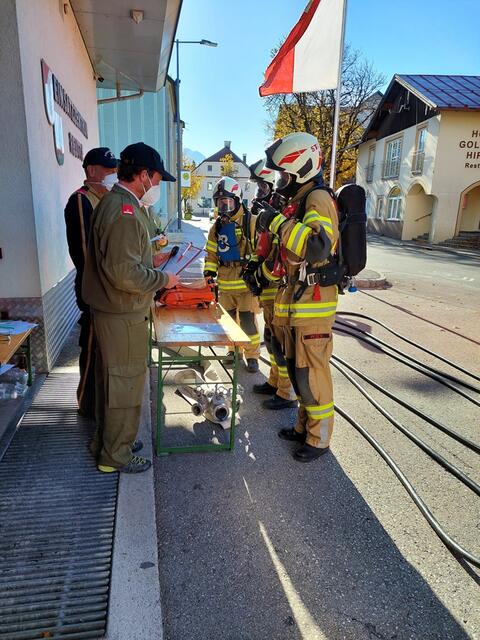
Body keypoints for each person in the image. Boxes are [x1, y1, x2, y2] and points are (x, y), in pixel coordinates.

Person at [82, 142, 179, 473]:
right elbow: (124, 273)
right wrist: (162, 278)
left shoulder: (118, 204)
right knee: (123, 384)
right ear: (144, 175)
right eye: (157, 178)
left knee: (112, 382)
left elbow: (123, 260)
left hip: (114, 312)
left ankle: (110, 441)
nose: (158, 186)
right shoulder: (124, 211)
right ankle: (115, 456)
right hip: (122, 314)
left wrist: (151, 262)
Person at [257, 132, 339, 462]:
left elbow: (318, 248)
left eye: (284, 174)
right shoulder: (302, 199)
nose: (280, 181)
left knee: (311, 373)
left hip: (314, 304)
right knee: (298, 371)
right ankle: (304, 426)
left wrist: (277, 222)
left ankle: (319, 439)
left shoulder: (317, 198)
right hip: (298, 302)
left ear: (301, 168)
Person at [64, 147, 118, 419]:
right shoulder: (81, 200)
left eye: (114, 170)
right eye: (108, 170)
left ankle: (102, 407)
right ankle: (86, 404)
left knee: (105, 355)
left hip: (111, 291)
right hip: (94, 292)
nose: (113, 174)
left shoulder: (107, 201)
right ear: (92, 171)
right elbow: (86, 255)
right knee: (92, 348)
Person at [246, 159, 297, 409]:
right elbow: (264, 245)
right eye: (258, 188)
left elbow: (281, 253)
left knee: (280, 339)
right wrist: (253, 268)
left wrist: (263, 274)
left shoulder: (283, 211)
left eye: (262, 187)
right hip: (269, 286)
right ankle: (275, 382)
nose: (259, 193)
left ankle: (286, 392)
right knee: (271, 336)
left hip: (278, 287)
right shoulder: (269, 213)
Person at [203, 177, 261, 372]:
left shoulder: (250, 222)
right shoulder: (217, 227)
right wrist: (209, 271)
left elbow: (260, 250)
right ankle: (232, 351)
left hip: (245, 284)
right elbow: (211, 252)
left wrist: (254, 271)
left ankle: (252, 355)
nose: (224, 208)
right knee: (228, 321)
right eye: (220, 203)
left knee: (247, 321)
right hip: (226, 283)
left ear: (238, 200)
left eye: (228, 202)